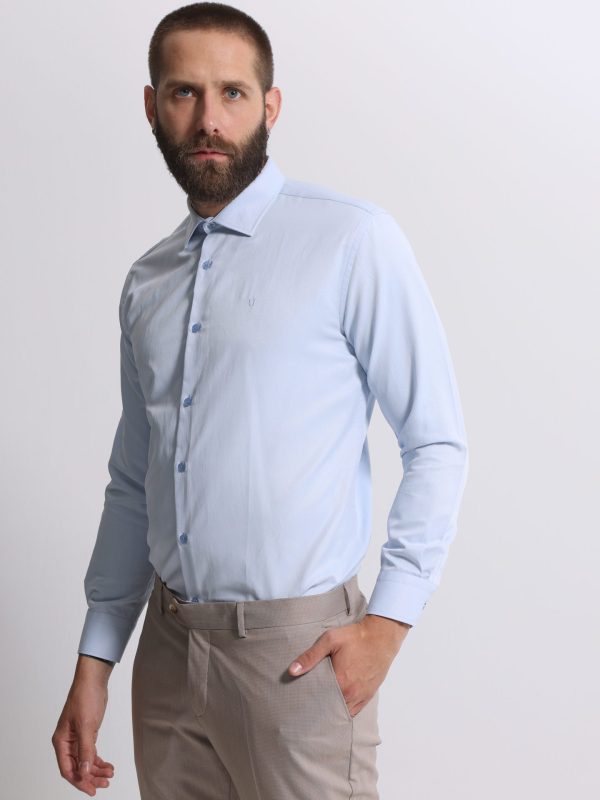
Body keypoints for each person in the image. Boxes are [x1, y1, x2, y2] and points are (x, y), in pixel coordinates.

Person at [51, 3, 469, 798]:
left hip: (298, 656)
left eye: (233, 93)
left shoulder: (351, 240)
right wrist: (96, 658)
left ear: (271, 105)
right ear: (153, 106)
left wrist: (388, 623)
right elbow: (134, 484)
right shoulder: (147, 282)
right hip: (167, 655)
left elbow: (437, 441)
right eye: (185, 93)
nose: (209, 119)